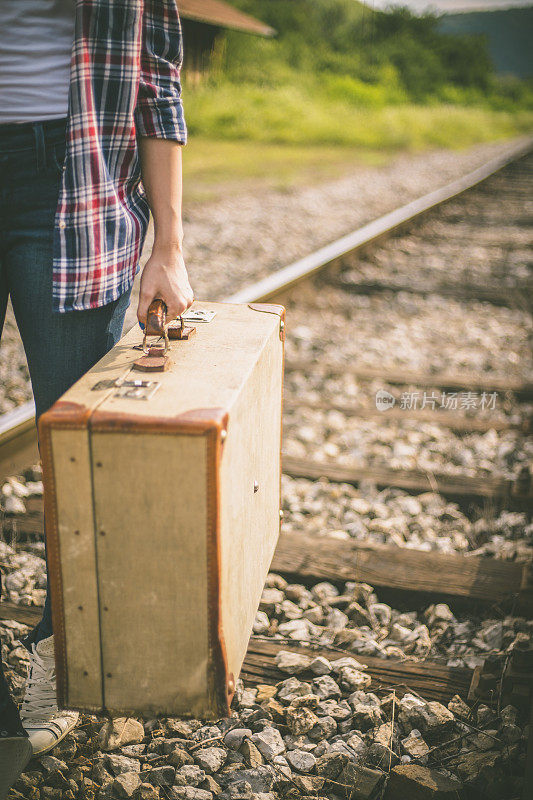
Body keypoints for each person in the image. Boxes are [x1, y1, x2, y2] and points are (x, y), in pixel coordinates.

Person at [0, 0, 192, 792]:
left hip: (68, 183)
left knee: (74, 458)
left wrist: (169, 244)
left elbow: (158, 82)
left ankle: (59, 644)